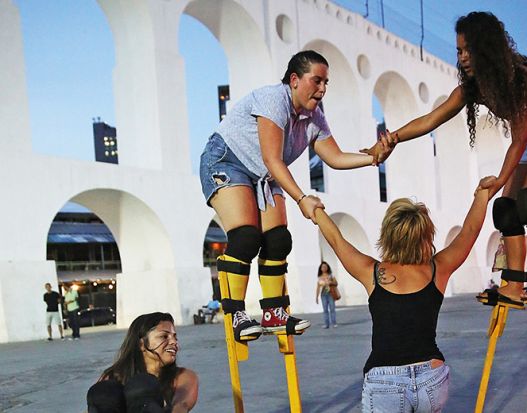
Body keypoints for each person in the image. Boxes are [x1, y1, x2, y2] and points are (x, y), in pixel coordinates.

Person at [374, 12, 527, 308]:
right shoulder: (475, 88)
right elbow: (432, 118)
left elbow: (519, 139)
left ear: (486, 49)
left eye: (468, 50)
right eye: (459, 50)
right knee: (505, 209)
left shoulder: (520, 79)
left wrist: (501, 178)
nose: (462, 57)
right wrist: (392, 139)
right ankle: (514, 283)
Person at [200, 50, 393, 342]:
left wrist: (373, 158)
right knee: (247, 236)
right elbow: (272, 159)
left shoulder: (314, 118)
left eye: (326, 82)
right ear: (294, 79)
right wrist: (303, 198)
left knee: (278, 239)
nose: (323, 89)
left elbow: (335, 157)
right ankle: (236, 313)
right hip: (227, 161)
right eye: (316, 81)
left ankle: (273, 313)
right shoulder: (273, 100)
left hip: (263, 175)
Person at [314, 186, 490, 412]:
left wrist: (315, 210)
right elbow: (470, 230)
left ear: (388, 234)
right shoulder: (438, 269)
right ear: (426, 235)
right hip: (431, 377)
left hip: (384, 382)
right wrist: (482, 195)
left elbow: (337, 241)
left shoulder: (372, 272)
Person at [86, 312, 198, 413]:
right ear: (141, 344)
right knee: (104, 391)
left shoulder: (182, 376)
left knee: (142, 386)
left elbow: (181, 404)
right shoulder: (114, 375)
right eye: (164, 336)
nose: (174, 342)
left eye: (175, 337)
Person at [315, 261, 338, 328]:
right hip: (323, 294)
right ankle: (326, 324)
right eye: (323, 267)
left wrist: (330, 282)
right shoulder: (319, 277)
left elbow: (336, 283)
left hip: (330, 293)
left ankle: (334, 323)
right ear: (321, 268)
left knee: (332, 308)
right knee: (325, 310)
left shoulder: (331, 275)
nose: (324, 268)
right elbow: (318, 287)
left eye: (325, 266)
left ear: (328, 267)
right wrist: (316, 297)